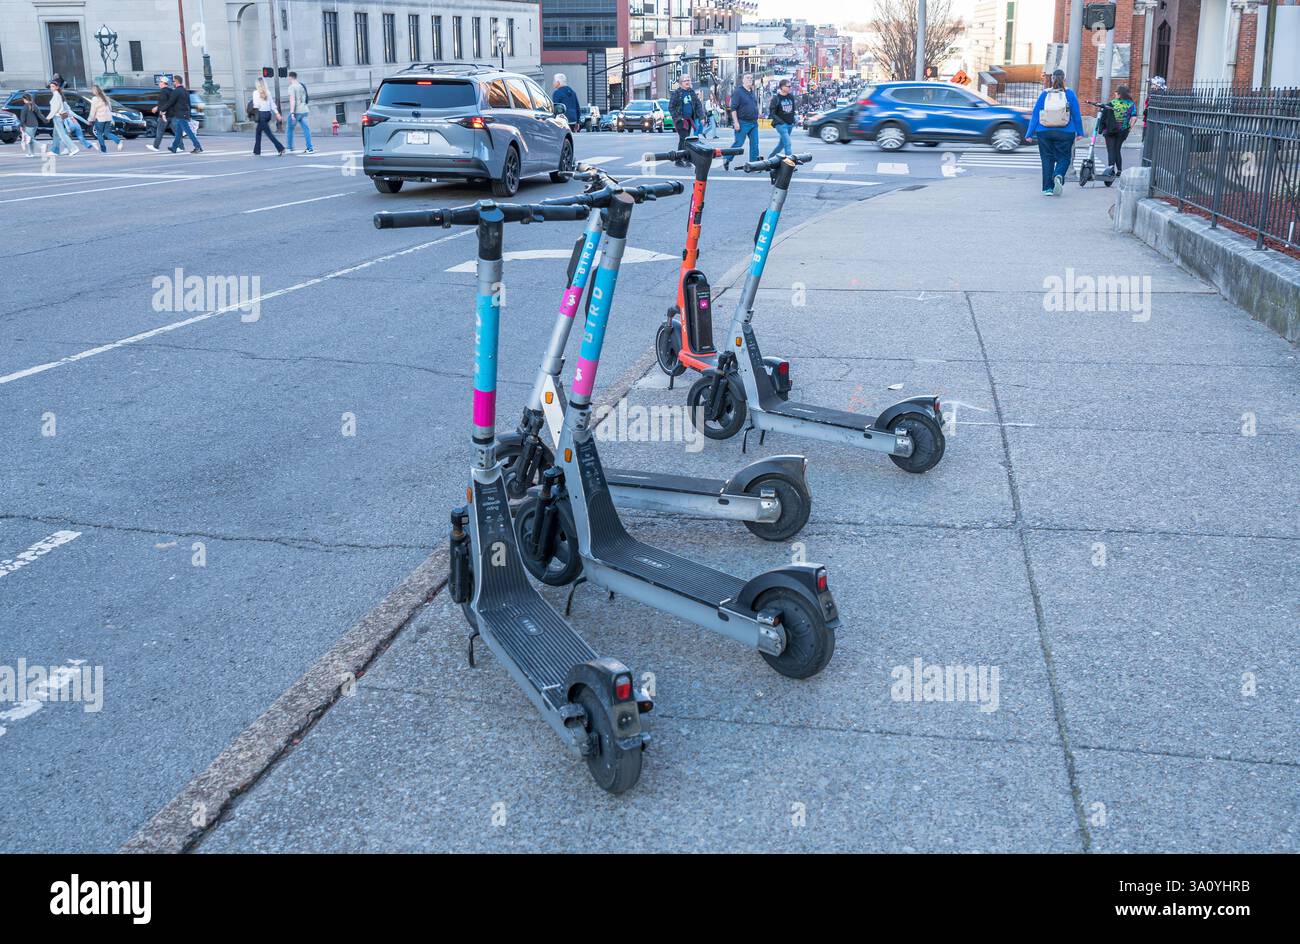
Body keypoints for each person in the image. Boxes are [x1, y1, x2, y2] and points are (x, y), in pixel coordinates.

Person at [1025, 68, 1084, 196]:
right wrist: (1080, 132)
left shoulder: (1044, 94)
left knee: (1047, 158)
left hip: (1044, 131)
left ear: (1052, 79)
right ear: (1064, 79)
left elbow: (1035, 114)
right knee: (1064, 157)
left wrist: (1029, 134)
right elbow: (1076, 114)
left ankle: (1047, 188)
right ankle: (1058, 174)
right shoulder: (1070, 94)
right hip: (1065, 131)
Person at [724, 73, 760, 170]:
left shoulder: (752, 91)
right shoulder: (738, 92)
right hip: (742, 122)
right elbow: (733, 108)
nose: (750, 80)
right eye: (747, 78)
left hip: (753, 123)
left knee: (755, 144)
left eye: (751, 78)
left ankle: (754, 165)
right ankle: (727, 158)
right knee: (738, 143)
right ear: (743, 80)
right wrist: (736, 122)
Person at [1101, 84, 1136, 175]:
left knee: (1111, 150)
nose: (1115, 93)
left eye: (1116, 92)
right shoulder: (1131, 104)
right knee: (1117, 149)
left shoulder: (1112, 103)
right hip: (1123, 130)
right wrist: (1129, 128)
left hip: (1110, 130)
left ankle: (1110, 170)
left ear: (1120, 94)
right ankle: (1119, 170)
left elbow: (1104, 116)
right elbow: (1134, 118)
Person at [668, 74, 703, 164]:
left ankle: (680, 158)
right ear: (681, 83)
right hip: (681, 120)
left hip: (689, 120)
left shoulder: (691, 92)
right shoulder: (677, 93)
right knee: (684, 139)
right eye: (685, 80)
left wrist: (701, 117)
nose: (687, 82)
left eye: (688, 80)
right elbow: (671, 107)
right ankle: (682, 159)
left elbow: (698, 105)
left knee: (684, 140)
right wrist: (677, 117)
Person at [165, 76, 202, 153]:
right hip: (184, 114)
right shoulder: (185, 91)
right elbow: (189, 104)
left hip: (180, 115)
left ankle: (198, 146)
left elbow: (170, 102)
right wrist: (189, 115)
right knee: (178, 133)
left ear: (177, 81)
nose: (173, 83)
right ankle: (174, 147)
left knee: (188, 132)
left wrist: (162, 109)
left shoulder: (176, 91)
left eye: (173, 81)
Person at [252, 78, 286, 156]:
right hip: (268, 115)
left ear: (257, 85)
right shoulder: (268, 93)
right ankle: (256, 151)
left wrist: (252, 110)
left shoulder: (255, 93)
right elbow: (272, 105)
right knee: (258, 132)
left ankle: (280, 148)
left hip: (261, 115)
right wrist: (277, 113)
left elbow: (256, 105)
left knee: (269, 134)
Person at [45, 81, 77, 156]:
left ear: (57, 87)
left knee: (62, 134)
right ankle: (55, 150)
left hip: (57, 116)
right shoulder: (57, 94)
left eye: (53, 86)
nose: (51, 88)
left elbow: (55, 108)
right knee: (55, 134)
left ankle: (73, 148)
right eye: (50, 86)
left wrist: (48, 117)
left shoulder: (56, 95)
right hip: (58, 116)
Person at [88, 85, 124, 153]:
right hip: (108, 118)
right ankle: (118, 141)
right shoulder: (106, 97)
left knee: (99, 134)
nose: (92, 91)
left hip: (100, 118)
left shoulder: (95, 99)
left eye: (92, 90)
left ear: (95, 91)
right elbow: (110, 108)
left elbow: (93, 110)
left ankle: (103, 150)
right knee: (107, 133)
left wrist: (90, 119)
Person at [767, 78, 796, 158]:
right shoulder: (776, 98)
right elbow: (772, 113)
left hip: (790, 124)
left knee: (781, 145)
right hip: (781, 125)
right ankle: (789, 164)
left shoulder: (791, 97)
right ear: (782, 87)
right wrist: (781, 122)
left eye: (790, 86)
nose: (790, 88)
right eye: (788, 86)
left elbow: (793, 109)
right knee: (788, 143)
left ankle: (770, 159)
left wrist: (793, 120)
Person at [286, 71, 314, 153]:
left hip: (296, 111)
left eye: (288, 77)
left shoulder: (292, 87)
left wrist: (291, 113)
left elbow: (292, 100)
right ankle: (310, 147)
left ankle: (289, 147)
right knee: (306, 129)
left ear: (290, 77)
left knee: (289, 129)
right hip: (304, 110)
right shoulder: (301, 85)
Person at [146, 75, 172, 151]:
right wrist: (157, 107)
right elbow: (168, 102)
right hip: (171, 115)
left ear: (164, 83)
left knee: (160, 131)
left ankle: (155, 146)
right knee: (176, 131)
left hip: (164, 115)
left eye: (160, 82)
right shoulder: (170, 91)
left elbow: (163, 104)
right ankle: (180, 146)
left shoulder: (163, 91)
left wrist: (162, 113)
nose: (159, 84)